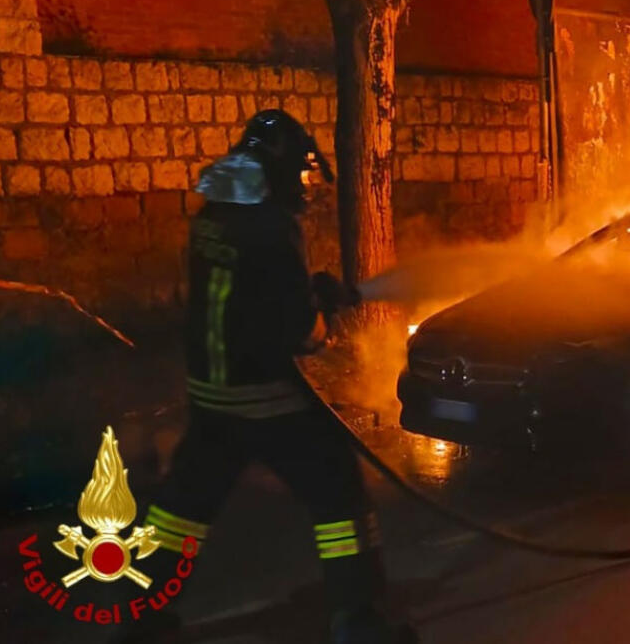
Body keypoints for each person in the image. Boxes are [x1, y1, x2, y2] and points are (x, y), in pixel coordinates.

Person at [114, 109, 414, 644]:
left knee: (181, 510)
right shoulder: (275, 225)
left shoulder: (213, 215)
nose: (303, 183)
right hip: (269, 399)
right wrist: (322, 314)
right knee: (340, 498)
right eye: (299, 172)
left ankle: (140, 617)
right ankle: (358, 621)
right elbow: (300, 332)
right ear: (276, 169)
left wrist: (304, 296)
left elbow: (243, 298)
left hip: (213, 396)